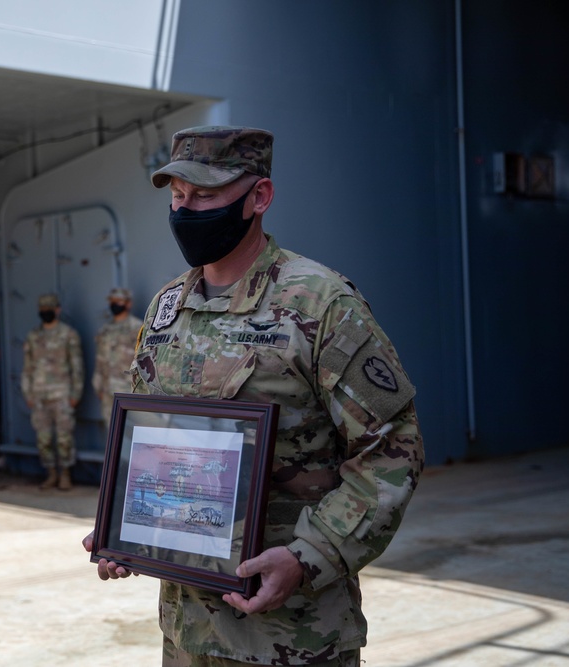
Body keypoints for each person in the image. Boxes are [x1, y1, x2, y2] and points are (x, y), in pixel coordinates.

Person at [83, 126, 424, 666]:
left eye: (206, 196)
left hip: (293, 636)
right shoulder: (168, 307)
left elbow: (391, 453)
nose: (186, 210)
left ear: (259, 197)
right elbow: (151, 437)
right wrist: (123, 526)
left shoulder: (320, 303)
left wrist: (309, 556)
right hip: (187, 632)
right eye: (177, 197)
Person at [20, 293, 84, 491]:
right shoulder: (33, 336)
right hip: (39, 396)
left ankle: (65, 474)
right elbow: (27, 367)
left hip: (62, 394)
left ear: (58, 310)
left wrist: (76, 393)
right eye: (42, 308)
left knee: (64, 437)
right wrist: (28, 393)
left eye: (49, 308)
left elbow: (77, 365)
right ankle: (51, 474)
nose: (46, 311)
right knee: (44, 438)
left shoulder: (68, 334)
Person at [91, 287, 143, 427]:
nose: (114, 304)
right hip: (108, 390)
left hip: (128, 390)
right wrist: (98, 385)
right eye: (112, 301)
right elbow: (100, 360)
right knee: (112, 430)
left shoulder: (137, 328)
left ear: (128, 303)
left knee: (130, 430)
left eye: (118, 301)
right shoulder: (105, 330)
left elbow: (143, 361)